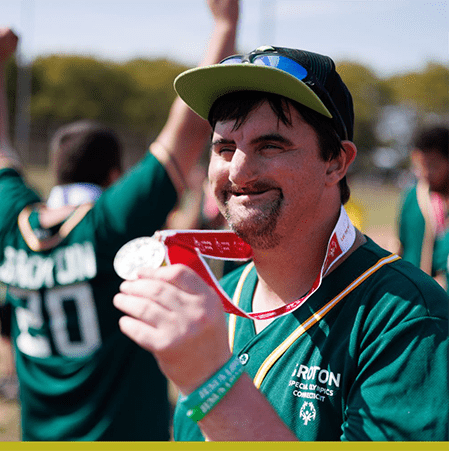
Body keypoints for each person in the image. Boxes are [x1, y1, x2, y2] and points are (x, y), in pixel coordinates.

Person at [113, 45, 449, 441]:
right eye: (223, 148)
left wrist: (213, 386)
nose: (238, 170)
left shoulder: (408, 318)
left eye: (270, 146)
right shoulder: (217, 301)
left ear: (336, 162)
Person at [0, 0, 239, 440]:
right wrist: (226, 26)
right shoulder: (110, 221)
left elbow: (1, 148)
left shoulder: (13, 222)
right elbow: (184, 132)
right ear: (114, 176)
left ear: (58, 169)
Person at [397, 126, 449, 292]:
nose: (426, 173)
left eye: (433, 166)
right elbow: (402, 245)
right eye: (422, 166)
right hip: (413, 293)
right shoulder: (412, 198)